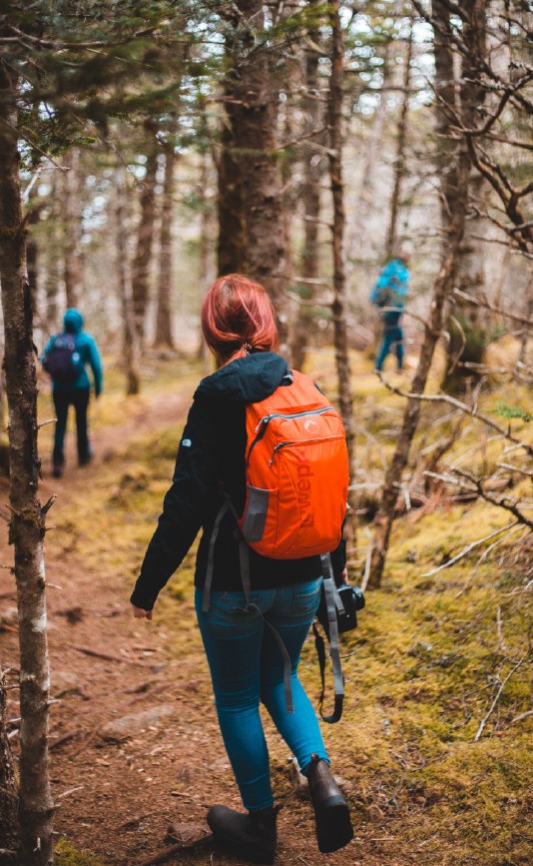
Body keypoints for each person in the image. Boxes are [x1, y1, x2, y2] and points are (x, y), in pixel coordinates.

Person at [130, 274, 353, 865]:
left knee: (235, 697)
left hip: (233, 581)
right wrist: (338, 576)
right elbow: (331, 496)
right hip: (306, 574)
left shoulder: (216, 395)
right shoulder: (299, 385)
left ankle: (260, 828)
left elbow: (187, 500)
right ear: (264, 324)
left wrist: (148, 584)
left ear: (212, 328)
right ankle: (321, 778)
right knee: (280, 680)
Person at [41, 308, 103, 478]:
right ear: (80, 322)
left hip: (59, 389)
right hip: (81, 389)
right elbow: (96, 366)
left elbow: (43, 359)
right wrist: (98, 388)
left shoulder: (56, 339)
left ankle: (57, 462)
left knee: (60, 424)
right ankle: (83, 456)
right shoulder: (86, 340)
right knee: (81, 422)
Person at [370, 248, 411, 372]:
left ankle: (399, 366)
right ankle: (378, 367)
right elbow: (399, 292)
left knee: (398, 336)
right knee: (389, 337)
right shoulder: (399, 270)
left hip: (391, 308)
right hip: (393, 308)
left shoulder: (389, 268)